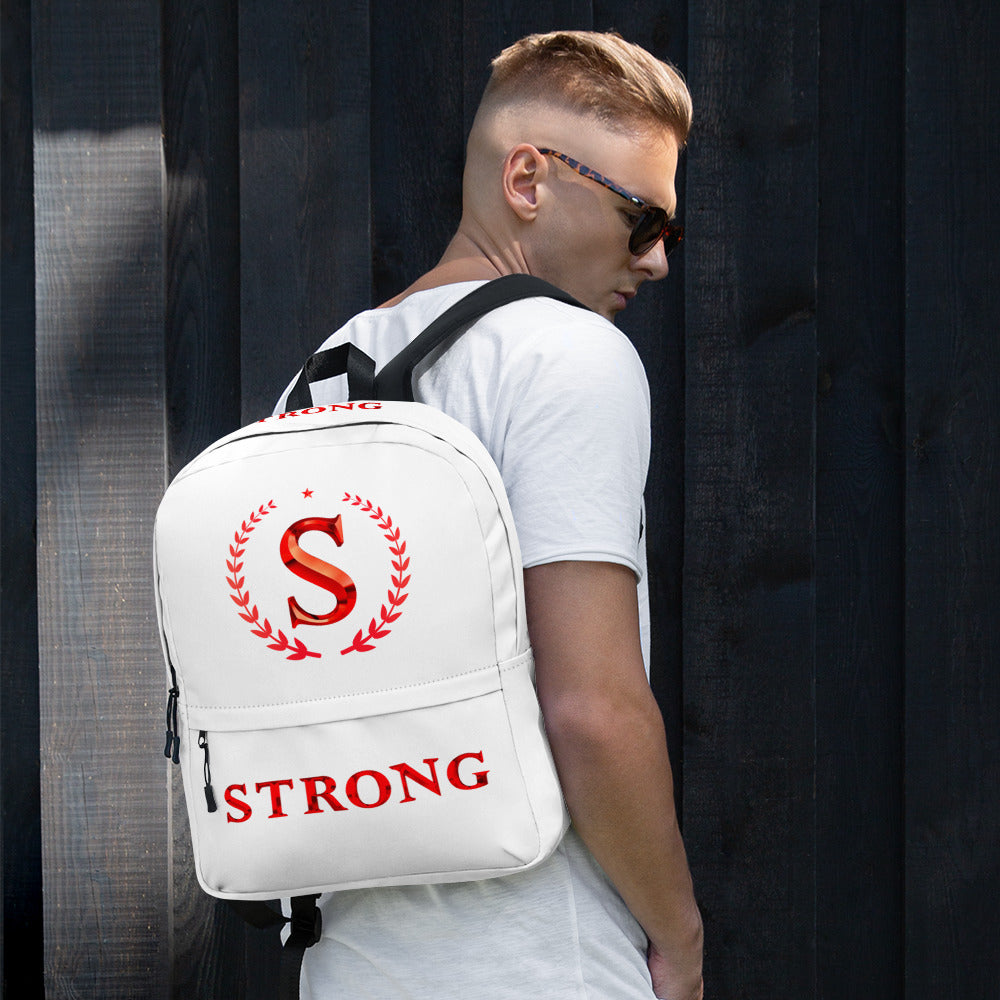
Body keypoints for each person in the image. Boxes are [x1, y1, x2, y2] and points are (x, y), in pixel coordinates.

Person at [275, 29, 703, 1000]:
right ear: (527, 179)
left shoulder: (320, 375)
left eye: (667, 235)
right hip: (540, 959)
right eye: (642, 219)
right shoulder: (565, 352)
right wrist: (680, 936)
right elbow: (590, 707)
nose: (657, 261)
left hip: (349, 963)